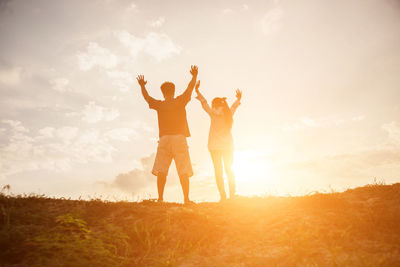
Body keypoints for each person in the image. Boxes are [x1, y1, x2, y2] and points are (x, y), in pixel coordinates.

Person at [136, 65, 198, 204]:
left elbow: (147, 98)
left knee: (162, 170)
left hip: (164, 139)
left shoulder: (160, 104)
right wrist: (194, 76)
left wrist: (142, 86)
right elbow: (190, 88)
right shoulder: (180, 101)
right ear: (174, 91)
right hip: (179, 138)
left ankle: (160, 198)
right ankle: (186, 199)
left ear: (163, 92)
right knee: (183, 169)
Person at [194, 80, 242, 201]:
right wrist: (238, 98)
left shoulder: (213, 113)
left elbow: (204, 103)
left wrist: (198, 91)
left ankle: (223, 196)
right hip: (228, 146)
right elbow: (234, 106)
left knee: (218, 171)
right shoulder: (228, 113)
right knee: (229, 169)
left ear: (214, 105)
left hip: (214, 147)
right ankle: (232, 195)